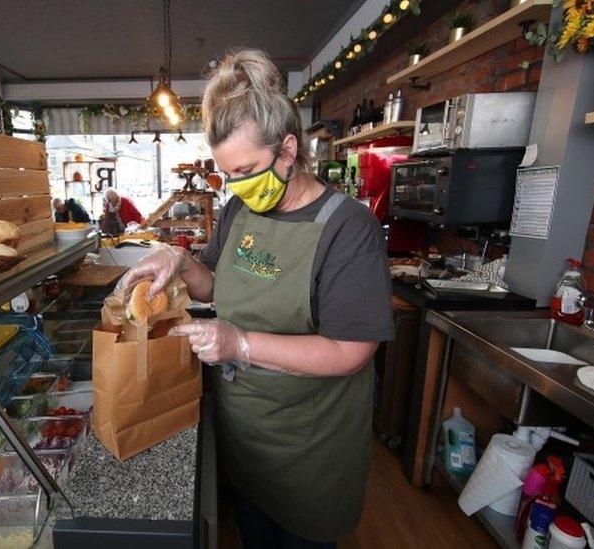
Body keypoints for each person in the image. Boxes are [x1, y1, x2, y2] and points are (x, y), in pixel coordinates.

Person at [118, 49, 393, 548]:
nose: (238, 187)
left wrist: (240, 344)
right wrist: (179, 261)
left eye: (247, 170)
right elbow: (221, 287)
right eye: (228, 175)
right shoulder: (237, 214)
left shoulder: (348, 229)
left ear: (288, 151)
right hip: (245, 430)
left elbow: (350, 352)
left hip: (309, 444)